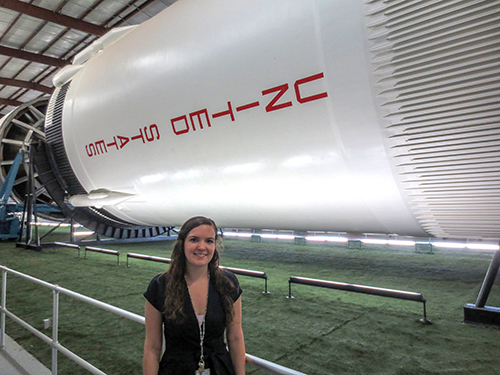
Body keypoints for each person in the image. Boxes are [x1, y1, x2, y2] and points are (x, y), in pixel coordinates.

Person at [143, 216, 246, 375]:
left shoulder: (228, 283)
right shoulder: (160, 286)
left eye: (209, 241)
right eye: (194, 239)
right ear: (182, 243)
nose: (202, 247)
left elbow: (235, 337)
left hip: (220, 369)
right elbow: (152, 347)